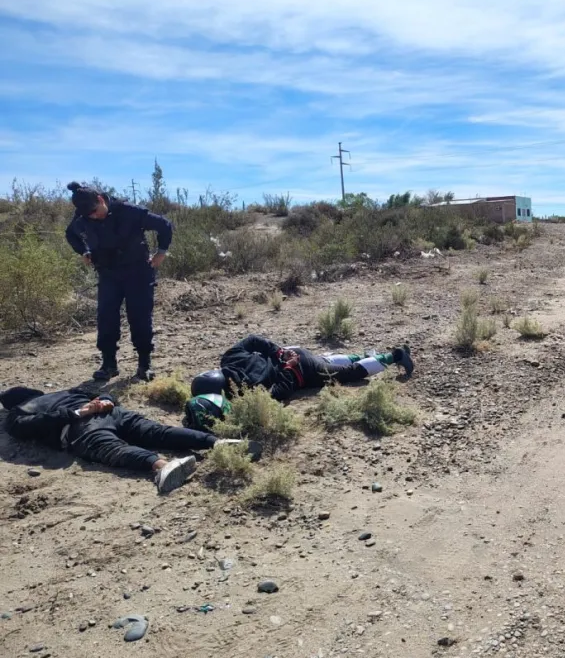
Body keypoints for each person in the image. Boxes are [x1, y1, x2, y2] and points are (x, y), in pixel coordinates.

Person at [1, 386, 260, 494]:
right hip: (112, 413)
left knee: (111, 448)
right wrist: (105, 402)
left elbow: (25, 427)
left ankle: (161, 466)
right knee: (157, 432)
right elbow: (104, 394)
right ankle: (216, 442)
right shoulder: (69, 391)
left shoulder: (18, 412)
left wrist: (79, 413)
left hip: (79, 425)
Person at [64, 182, 175, 382]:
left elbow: (164, 225)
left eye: (95, 211)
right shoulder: (83, 217)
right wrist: (84, 251)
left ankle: (144, 365)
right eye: (88, 215)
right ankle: (109, 365)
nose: (93, 217)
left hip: (138, 272)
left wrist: (161, 252)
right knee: (106, 317)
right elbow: (71, 234)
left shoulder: (129, 211)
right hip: (108, 274)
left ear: (100, 200)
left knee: (139, 316)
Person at [193, 335, 414, 402]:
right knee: (326, 361)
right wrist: (279, 351)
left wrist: (287, 366)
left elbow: (281, 391)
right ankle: (368, 356)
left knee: (349, 374)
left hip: (300, 368)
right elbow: (253, 340)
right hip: (294, 351)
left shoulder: (246, 388)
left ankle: (395, 356)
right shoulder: (229, 358)